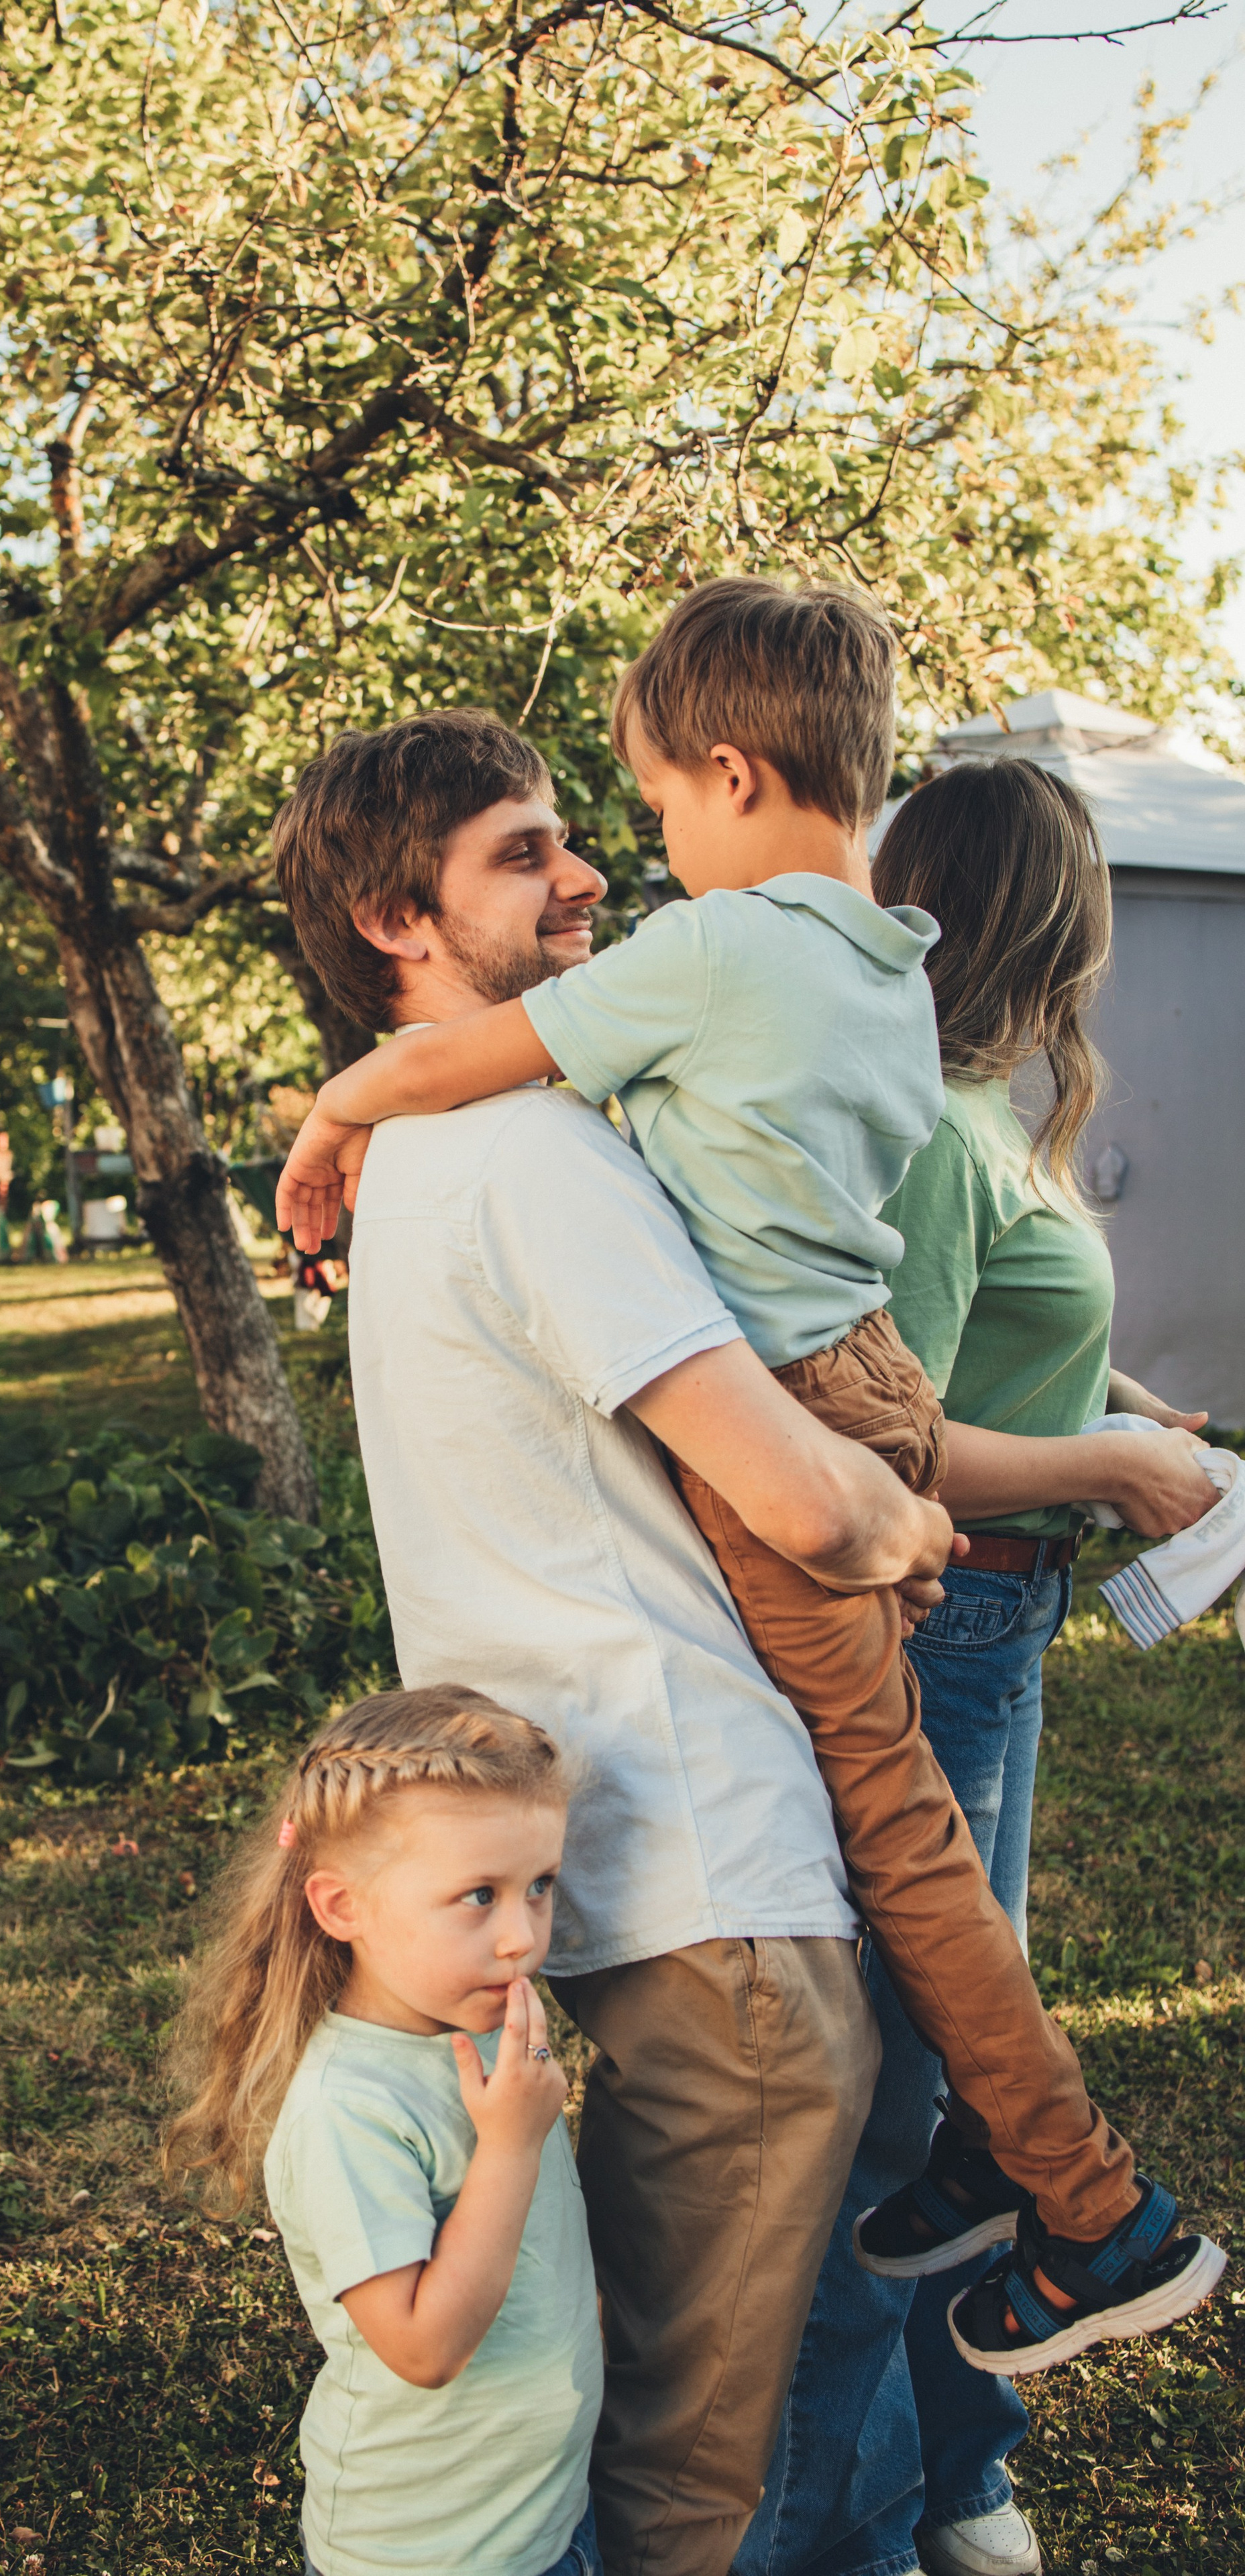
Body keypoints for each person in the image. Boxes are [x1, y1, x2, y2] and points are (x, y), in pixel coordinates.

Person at [275, 581, 1222, 2374]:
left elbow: (464, 1059)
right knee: (927, 1843)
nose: (630, 861)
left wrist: (331, 1118)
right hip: (862, 1364)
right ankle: (999, 2167)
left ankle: (1096, 2207)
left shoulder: (715, 953)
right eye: (548, 846)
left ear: (729, 768)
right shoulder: (887, 960)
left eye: (639, 811)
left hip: (800, 1396)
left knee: (904, 1844)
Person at [272, 702, 949, 2576]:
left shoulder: (435, 1141)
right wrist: (904, 1522)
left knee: (682, 2413)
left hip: (636, 1864)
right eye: (521, 852)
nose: (585, 875)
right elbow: (805, 1496)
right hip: (715, 1874)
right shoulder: (522, 1154)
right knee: (694, 2475)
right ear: (393, 915)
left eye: (576, 832)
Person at [738, 758, 1218, 2576]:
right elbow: (892, 1444)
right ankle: (851, 2524)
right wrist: (1111, 1468)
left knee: (943, 2121)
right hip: (949, 1637)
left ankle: (954, 2473)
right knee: (891, 2124)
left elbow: (983, 1363)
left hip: (1002, 1635)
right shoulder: (932, 1136)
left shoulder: (974, 1116)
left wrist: (1110, 1406)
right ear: (1060, 926)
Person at [164, 1686, 604, 2576]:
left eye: (540, 1887)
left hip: (538, 2521)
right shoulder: (347, 2111)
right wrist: (513, 2144)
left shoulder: (476, 2032)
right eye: (478, 1896)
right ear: (342, 1908)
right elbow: (423, 2345)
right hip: (427, 2550)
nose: (522, 1936)